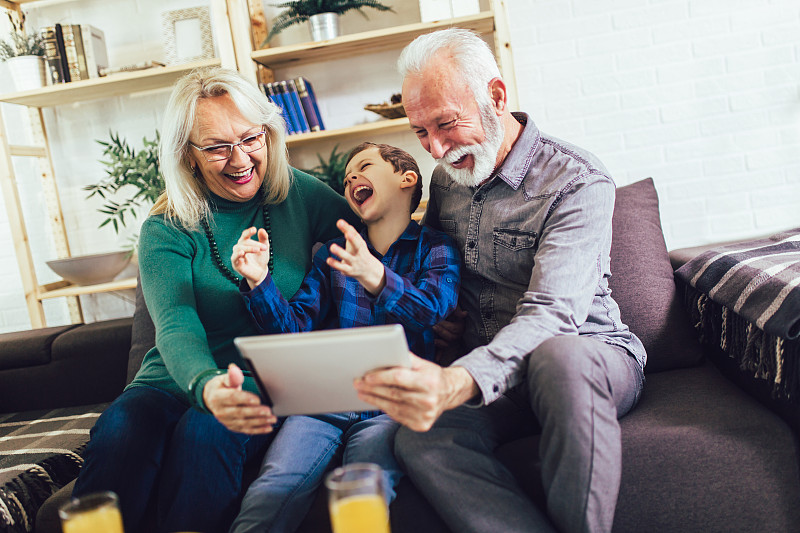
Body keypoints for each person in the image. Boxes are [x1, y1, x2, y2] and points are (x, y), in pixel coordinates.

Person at [353, 29, 648, 533]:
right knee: (420, 436)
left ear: (495, 96)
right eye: (421, 132)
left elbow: (555, 315)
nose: (437, 149)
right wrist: (443, 319)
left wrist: (456, 379)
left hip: (584, 357)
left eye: (447, 124)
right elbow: (439, 269)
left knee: (559, 355)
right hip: (497, 378)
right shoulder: (449, 179)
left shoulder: (577, 180)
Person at [72, 66, 359, 533]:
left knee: (206, 432)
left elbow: (371, 243)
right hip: (173, 378)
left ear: (268, 133)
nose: (240, 159)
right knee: (121, 432)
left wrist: (426, 307)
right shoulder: (166, 226)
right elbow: (176, 324)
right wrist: (206, 385)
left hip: (260, 378)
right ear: (188, 154)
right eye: (217, 147)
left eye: (250, 138)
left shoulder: (301, 195)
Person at [227, 142, 461, 533]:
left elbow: (432, 309)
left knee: (364, 492)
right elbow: (294, 328)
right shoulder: (332, 255)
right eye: (347, 175)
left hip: (390, 407)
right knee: (273, 487)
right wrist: (259, 280)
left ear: (407, 179)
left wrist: (376, 277)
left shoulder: (435, 248)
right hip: (324, 401)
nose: (351, 177)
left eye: (364, 167)